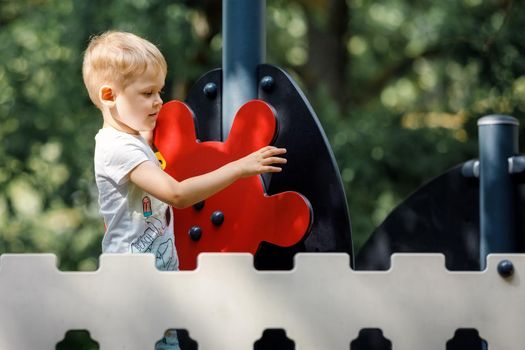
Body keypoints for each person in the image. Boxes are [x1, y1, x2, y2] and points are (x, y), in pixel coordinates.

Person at [82, 31, 287, 349]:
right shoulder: (119, 149)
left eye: (159, 91)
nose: (158, 101)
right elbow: (176, 194)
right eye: (147, 93)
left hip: (156, 280)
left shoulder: (130, 139)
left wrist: (147, 132)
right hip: (134, 285)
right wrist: (239, 167)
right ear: (109, 96)